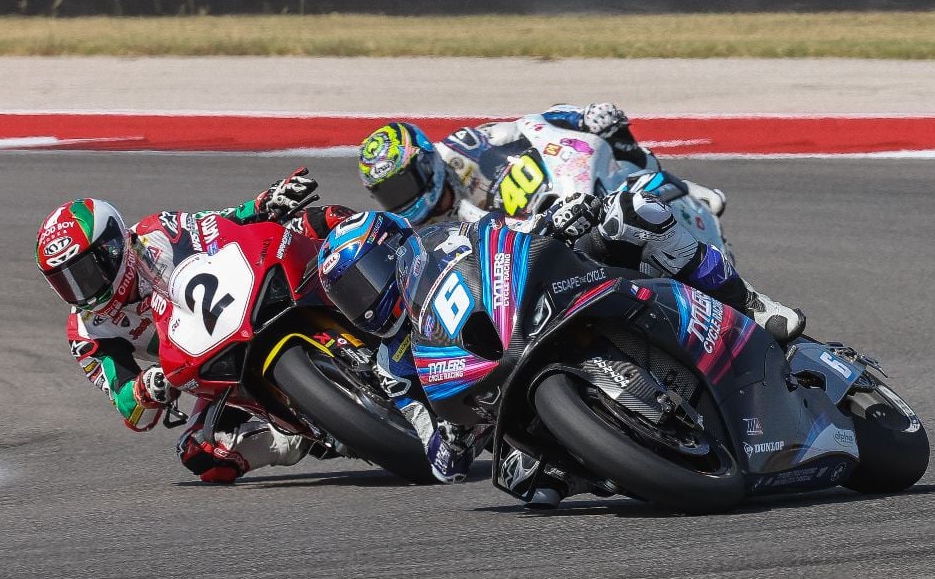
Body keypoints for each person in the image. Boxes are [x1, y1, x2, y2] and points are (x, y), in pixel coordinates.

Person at [317, 185, 805, 508]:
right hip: (512, 406)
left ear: (392, 249)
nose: (366, 300)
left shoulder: (447, 242)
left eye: (368, 277)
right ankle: (627, 459)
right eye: (350, 296)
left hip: (549, 294)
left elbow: (509, 231)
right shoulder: (390, 368)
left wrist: (557, 216)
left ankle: (748, 302)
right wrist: (453, 438)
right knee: (529, 485)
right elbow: (438, 458)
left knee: (634, 211)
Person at [35, 168, 356, 483]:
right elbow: (128, 407)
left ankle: (396, 286)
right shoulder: (87, 331)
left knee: (322, 220)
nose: (81, 290)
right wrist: (147, 390)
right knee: (200, 454)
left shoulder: (155, 234)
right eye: (66, 281)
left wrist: (264, 203)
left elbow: (219, 223)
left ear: (113, 247)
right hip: (210, 366)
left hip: (242, 297)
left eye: (85, 272)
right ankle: (295, 436)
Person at [356, 103, 727, 227]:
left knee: (608, 133)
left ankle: (668, 182)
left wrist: (579, 117)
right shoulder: (412, 233)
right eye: (388, 194)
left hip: (541, 208)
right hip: (508, 265)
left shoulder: (457, 150)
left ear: (426, 163)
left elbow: (527, 126)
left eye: (402, 185)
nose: (401, 200)